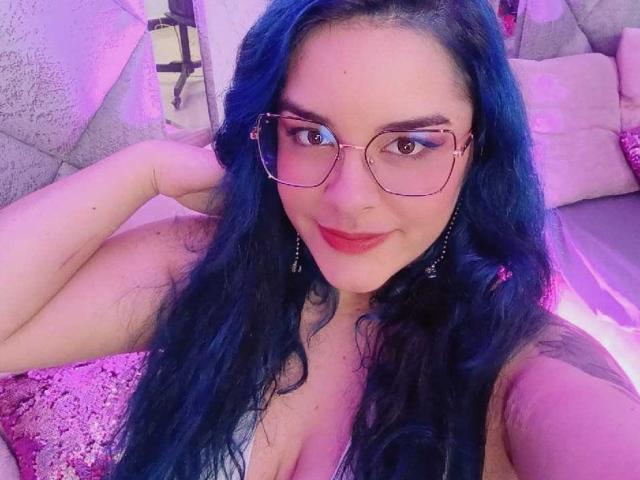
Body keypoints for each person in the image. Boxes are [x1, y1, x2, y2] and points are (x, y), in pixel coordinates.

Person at [0, 0, 638, 479]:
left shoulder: (522, 372)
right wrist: (145, 169)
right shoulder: (215, 265)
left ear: (478, 152)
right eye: (311, 135)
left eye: (409, 145)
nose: (348, 198)